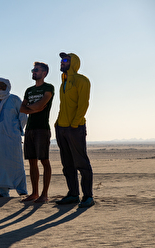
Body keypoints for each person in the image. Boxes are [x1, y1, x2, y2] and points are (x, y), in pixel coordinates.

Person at [55, 52, 94, 208]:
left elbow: (83, 104)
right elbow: (63, 106)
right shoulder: (63, 82)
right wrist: (58, 124)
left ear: (74, 63)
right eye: (61, 60)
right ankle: (73, 194)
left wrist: (74, 124)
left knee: (81, 163)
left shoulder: (82, 81)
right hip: (61, 128)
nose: (62, 62)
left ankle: (88, 196)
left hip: (75, 128)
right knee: (67, 164)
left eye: (65, 60)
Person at [20, 62, 54, 203]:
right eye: (33, 70)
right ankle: (34, 193)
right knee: (32, 162)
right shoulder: (29, 90)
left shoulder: (49, 87)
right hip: (30, 129)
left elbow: (41, 105)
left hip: (42, 128)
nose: (33, 72)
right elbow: (22, 108)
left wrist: (31, 107)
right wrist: (33, 109)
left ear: (44, 73)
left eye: (36, 70)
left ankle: (44, 194)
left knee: (44, 160)